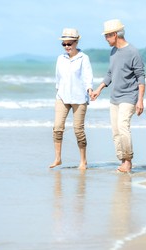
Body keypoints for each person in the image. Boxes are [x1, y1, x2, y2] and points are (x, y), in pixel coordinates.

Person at [91, 19, 146, 173]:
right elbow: (110, 73)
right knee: (115, 131)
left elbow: (141, 77)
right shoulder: (113, 51)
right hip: (114, 97)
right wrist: (99, 89)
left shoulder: (133, 52)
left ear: (115, 34)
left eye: (107, 36)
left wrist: (140, 100)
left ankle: (128, 161)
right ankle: (123, 161)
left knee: (123, 127)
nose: (105, 39)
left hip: (129, 96)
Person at [50, 28, 93, 170]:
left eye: (69, 44)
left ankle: (83, 161)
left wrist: (90, 89)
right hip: (62, 97)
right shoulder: (60, 59)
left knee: (78, 130)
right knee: (57, 128)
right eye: (64, 44)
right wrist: (58, 90)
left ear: (76, 42)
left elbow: (88, 77)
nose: (67, 47)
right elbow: (58, 78)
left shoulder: (83, 58)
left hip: (79, 98)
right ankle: (58, 158)